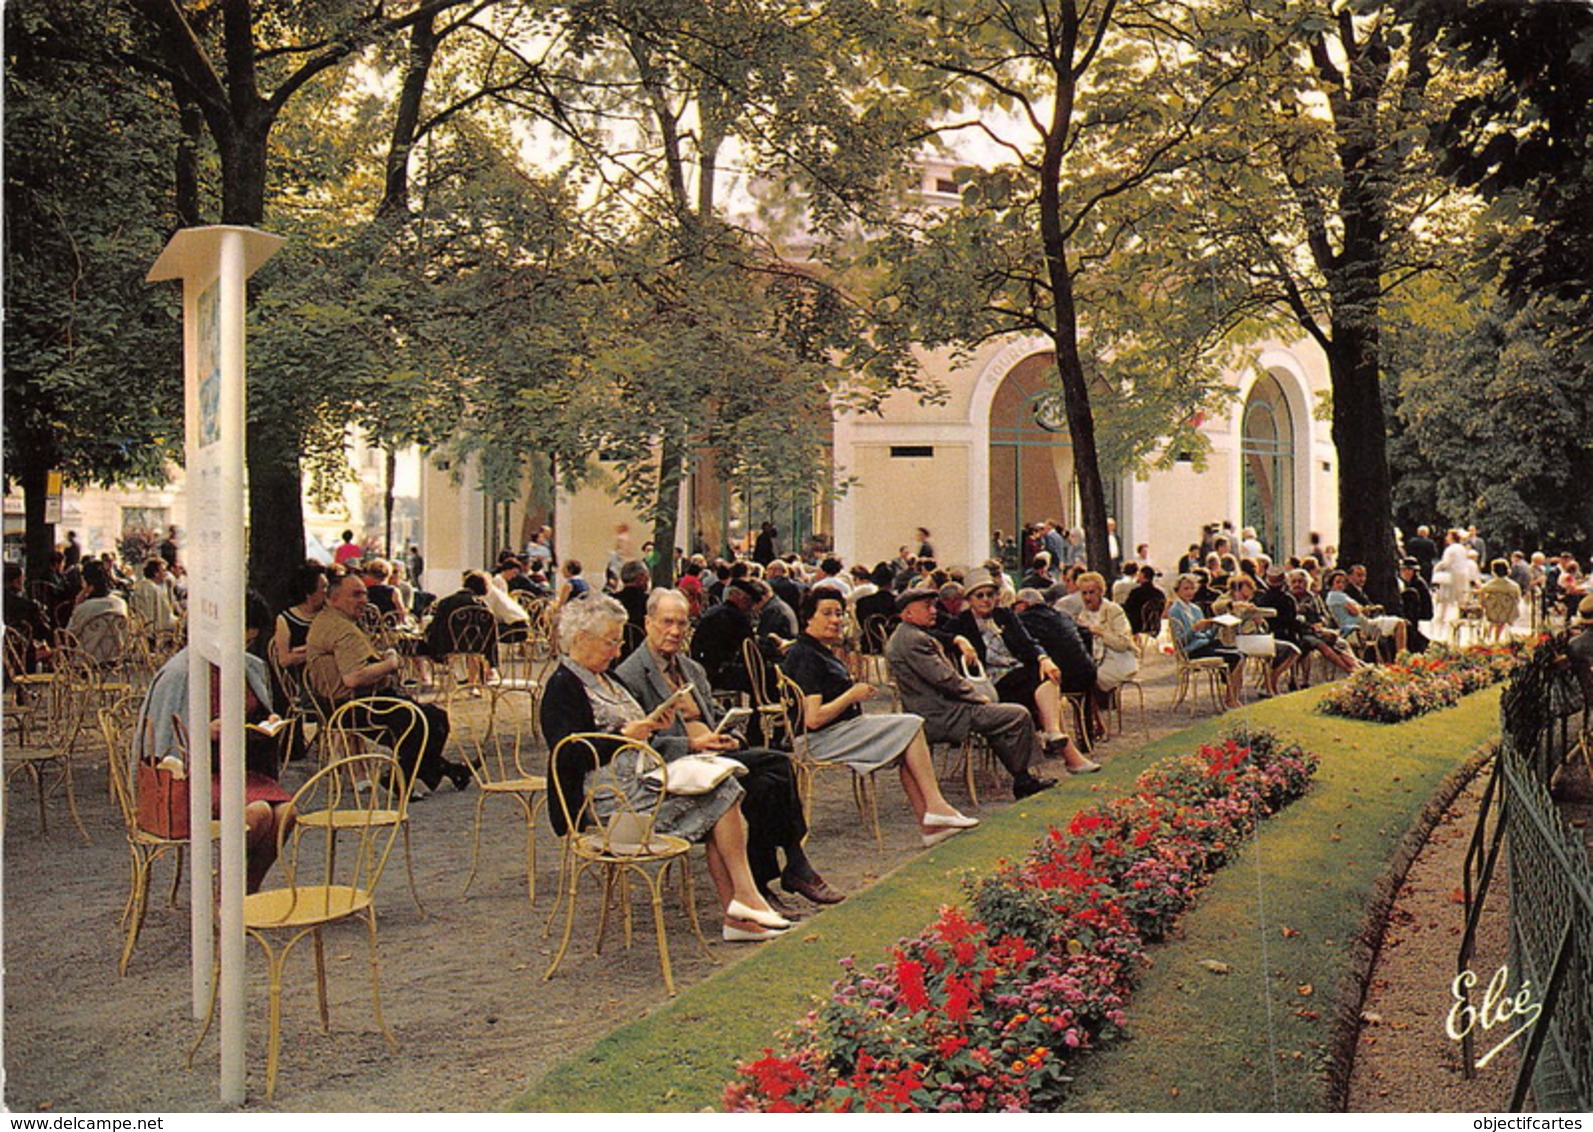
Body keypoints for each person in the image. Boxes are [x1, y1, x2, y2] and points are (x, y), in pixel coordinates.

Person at [540, 593, 796, 942]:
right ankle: (744, 905)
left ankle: (742, 909)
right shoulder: (563, 686)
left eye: (618, 642)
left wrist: (649, 726)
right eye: (611, 642)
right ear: (581, 639)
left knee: (726, 788)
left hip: (642, 783)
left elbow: (631, 734)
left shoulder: (606, 679)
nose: (617, 651)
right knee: (725, 794)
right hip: (609, 803)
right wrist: (622, 735)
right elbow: (567, 753)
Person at [616, 588, 844, 913]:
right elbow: (638, 745)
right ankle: (793, 862)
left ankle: (763, 883)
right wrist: (693, 743)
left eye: (682, 623)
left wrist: (731, 734)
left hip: (714, 756)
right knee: (776, 763)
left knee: (764, 785)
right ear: (648, 622)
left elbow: (714, 713)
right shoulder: (630, 675)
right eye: (667, 622)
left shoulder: (691, 668)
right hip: (678, 766)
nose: (675, 631)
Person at [782, 589, 979, 847]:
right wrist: (851, 695)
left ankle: (932, 824)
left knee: (908, 735)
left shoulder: (819, 650)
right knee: (911, 724)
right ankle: (936, 808)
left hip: (842, 730)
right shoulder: (806, 655)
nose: (835, 620)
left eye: (839, 614)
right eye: (827, 613)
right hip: (820, 739)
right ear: (808, 618)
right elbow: (813, 719)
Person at [134, 593, 294, 893]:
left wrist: (266, 721)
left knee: (286, 813)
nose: (241, 649)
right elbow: (158, 749)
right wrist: (204, 732)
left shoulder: (249, 667)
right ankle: (224, 893)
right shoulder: (179, 674)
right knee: (258, 813)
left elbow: (255, 712)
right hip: (191, 776)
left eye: (247, 643)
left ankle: (247, 889)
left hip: (239, 770)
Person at [886, 588, 1061, 796]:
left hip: (937, 709)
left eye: (933, 605)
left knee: (998, 718)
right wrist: (977, 697)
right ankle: (1024, 778)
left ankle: (1023, 779)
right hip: (942, 714)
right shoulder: (913, 640)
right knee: (1018, 714)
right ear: (908, 614)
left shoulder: (907, 635)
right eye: (927, 607)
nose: (934, 611)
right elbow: (945, 679)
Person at [305, 572, 469, 794]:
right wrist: (391, 663)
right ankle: (402, 777)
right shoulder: (342, 629)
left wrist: (380, 658)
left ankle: (446, 770)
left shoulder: (330, 620)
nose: (363, 599)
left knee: (425, 720)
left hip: (336, 702)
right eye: (355, 595)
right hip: (352, 705)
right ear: (332, 599)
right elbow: (353, 677)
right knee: (426, 720)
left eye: (364, 594)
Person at [943, 570, 1079, 758]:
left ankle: (1054, 734)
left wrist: (1044, 659)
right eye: (979, 596)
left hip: (1019, 674)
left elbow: (1027, 642)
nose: (985, 600)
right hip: (993, 683)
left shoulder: (1004, 615)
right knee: (1039, 684)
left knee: (1048, 674)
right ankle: (1065, 749)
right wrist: (958, 640)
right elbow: (933, 636)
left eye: (990, 594)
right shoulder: (961, 622)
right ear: (969, 599)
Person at [1213, 573, 1298, 696]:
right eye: (1243, 595)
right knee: (1270, 652)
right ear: (1235, 590)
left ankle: (1270, 682)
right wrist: (1236, 605)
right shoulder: (1225, 599)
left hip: (1254, 638)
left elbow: (1264, 625)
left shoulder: (1249, 604)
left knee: (1292, 650)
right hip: (1234, 641)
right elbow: (1216, 607)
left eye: (1248, 597)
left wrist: (1259, 621)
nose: (1245, 599)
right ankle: (1267, 687)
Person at [1167, 572, 1241, 709]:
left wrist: (1214, 626)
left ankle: (1232, 695)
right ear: (1177, 591)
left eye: (1191, 588)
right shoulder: (1175, 611)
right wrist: (1194, 629)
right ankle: (1230, 698)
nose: (1189, 592)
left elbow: (1206, 635)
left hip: (1204, 644)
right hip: (1192, 649)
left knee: (1240, 653)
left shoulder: (1195, 609)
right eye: (1185, 589)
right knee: (1235, 657)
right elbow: (1180, 641)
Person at [1069, 571, 1140, 706]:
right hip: (1096, 660)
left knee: (1089, 679)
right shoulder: (1083, 615)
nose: (1088, 597)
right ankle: (1089, 720)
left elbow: (1122, 644)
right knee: (1076, 679)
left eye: (1092, 592)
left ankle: (1096, 716)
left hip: (1119, 659)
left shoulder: (1113, 610)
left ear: (1101, 592)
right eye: (1084, 593)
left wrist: (1100, 632)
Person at [65, 559, 128, 665]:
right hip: (116, 657)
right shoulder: (121, 603)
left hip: (88, 660)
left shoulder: (85, 608)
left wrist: (77, 605)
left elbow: (69, 636)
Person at [129, 558, 178, 635]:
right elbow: (156, 616)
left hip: (149, 625)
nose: (166, 574)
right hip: (157, 627)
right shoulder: (152, 589)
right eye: (164, 571)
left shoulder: (144, 585)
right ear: (156, 573)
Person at [1477, 559, 1522, 641]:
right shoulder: (1514, 586)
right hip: (1507, 612)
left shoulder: (1487, 586)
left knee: (1494, 615)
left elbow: (1482, 600)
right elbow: (1517, 599)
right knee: (1502, 616)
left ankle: (1490, 632)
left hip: (1491, 612)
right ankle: (1496, 637)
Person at [1397, 557, 1435, 653]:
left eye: (1408, 570)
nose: (1405, 572)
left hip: (1420, 612)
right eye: (1403, 570)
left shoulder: (1418, 584)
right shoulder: (1404, 582)